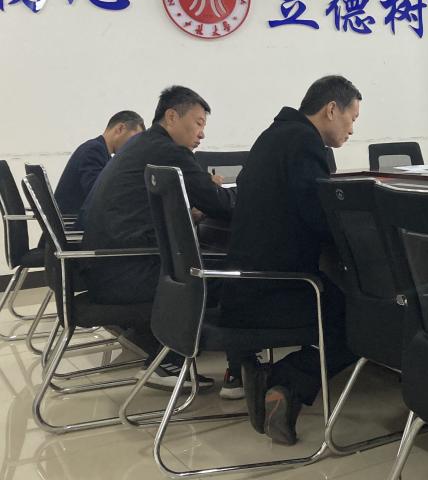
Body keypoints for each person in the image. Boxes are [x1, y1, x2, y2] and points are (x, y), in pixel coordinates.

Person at [221, 75, 361, 446]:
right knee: (362, 316)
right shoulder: (304, 142)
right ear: (331, 110)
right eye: (352, 118)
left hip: (246, 282)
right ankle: (285, 381)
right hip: (277, 289)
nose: (352, 128)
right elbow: (317, 215)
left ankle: (272, 379)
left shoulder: (274, 136)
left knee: (344, 300)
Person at [79, 86, 236, 389]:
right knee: (225, 278)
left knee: (205, 265)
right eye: (198, 123)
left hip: (105, 269)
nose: (202, 134)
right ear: (172, 116)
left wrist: (191, 210)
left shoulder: (142, 145)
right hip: (128, 272)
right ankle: (184, 363)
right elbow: (219, 203)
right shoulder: (168, 151)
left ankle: (166, 353)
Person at [54, 110, 145, 217]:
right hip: (73, 220)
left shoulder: (99, 151)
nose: (133, 146)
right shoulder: (94, 150)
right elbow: (98, 195)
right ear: (120, 129)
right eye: (133, 139)